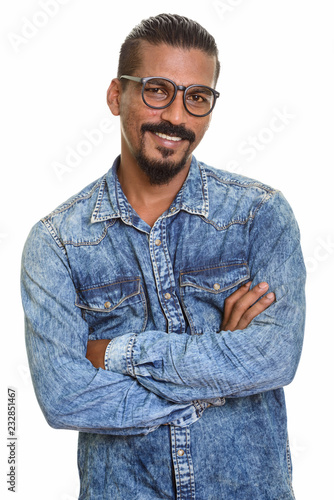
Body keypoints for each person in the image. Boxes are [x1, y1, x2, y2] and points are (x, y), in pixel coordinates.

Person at [21, 13, 306, 500]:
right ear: (117, 95)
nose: (177, 116)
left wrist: (116, 354)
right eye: (158, 89)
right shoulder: (57, 242)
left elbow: (273, 358)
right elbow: (65, 398)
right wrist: (219, 375)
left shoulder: (260, 216)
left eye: (197, 97)